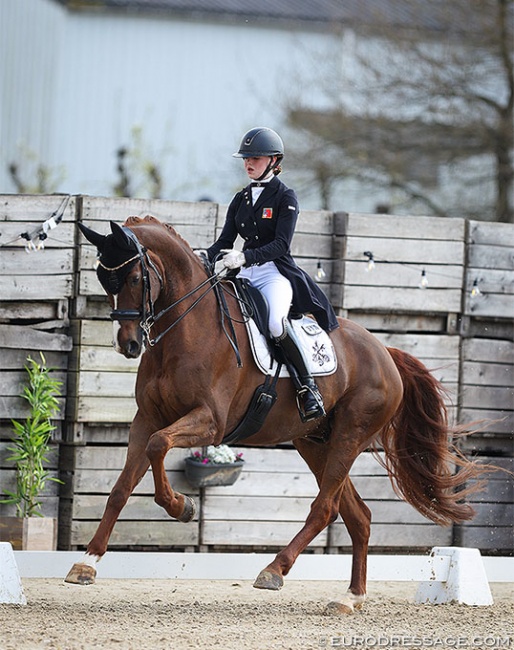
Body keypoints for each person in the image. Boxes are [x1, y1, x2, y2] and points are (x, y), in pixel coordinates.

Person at [206, 127, 339, 422]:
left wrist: (246, 255)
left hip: (273, 273)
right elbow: (225, 241)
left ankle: (308, 388)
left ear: (274, 160)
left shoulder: (285, 197)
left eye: (255, 158)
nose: (248, 163)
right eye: (245, 158)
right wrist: (205, 256)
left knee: (275, 324)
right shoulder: (240, 198)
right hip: (244, 274)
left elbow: (281, 245)